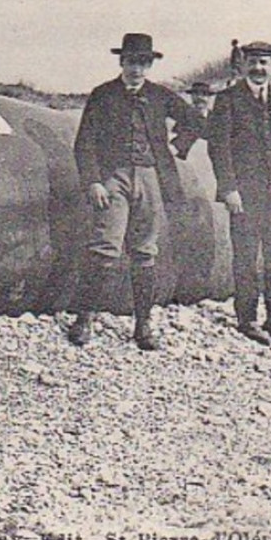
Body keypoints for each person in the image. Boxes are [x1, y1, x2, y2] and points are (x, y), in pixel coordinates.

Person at [68, 33, 202, 351]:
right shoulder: (103, 95)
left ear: (150, 65)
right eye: (131, 62)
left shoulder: (160, 95)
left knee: (144, 251)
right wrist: (94, 182)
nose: (137, 69)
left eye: (143, 63)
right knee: (105, 248)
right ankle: (84, 319)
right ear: (121, 62)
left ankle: (143, 326)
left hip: (152, 179)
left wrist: (178, 146)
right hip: (114, 178)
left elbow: (196, 122)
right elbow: (84, 141)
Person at [206, 42, 271, 345]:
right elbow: (219, 148)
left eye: (265, 62)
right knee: (246, 258)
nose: (259, 68)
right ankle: (247, 320)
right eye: (253, 62)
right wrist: (228, 188)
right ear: (243, 65)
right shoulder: (227, 100)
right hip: (245, 197)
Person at [175, 81, 218, 158]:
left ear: (209, 97)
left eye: (204, 94)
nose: (200, 97)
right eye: (196, 94)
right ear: (191, 96)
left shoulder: (217, 119)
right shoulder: (183, 117)